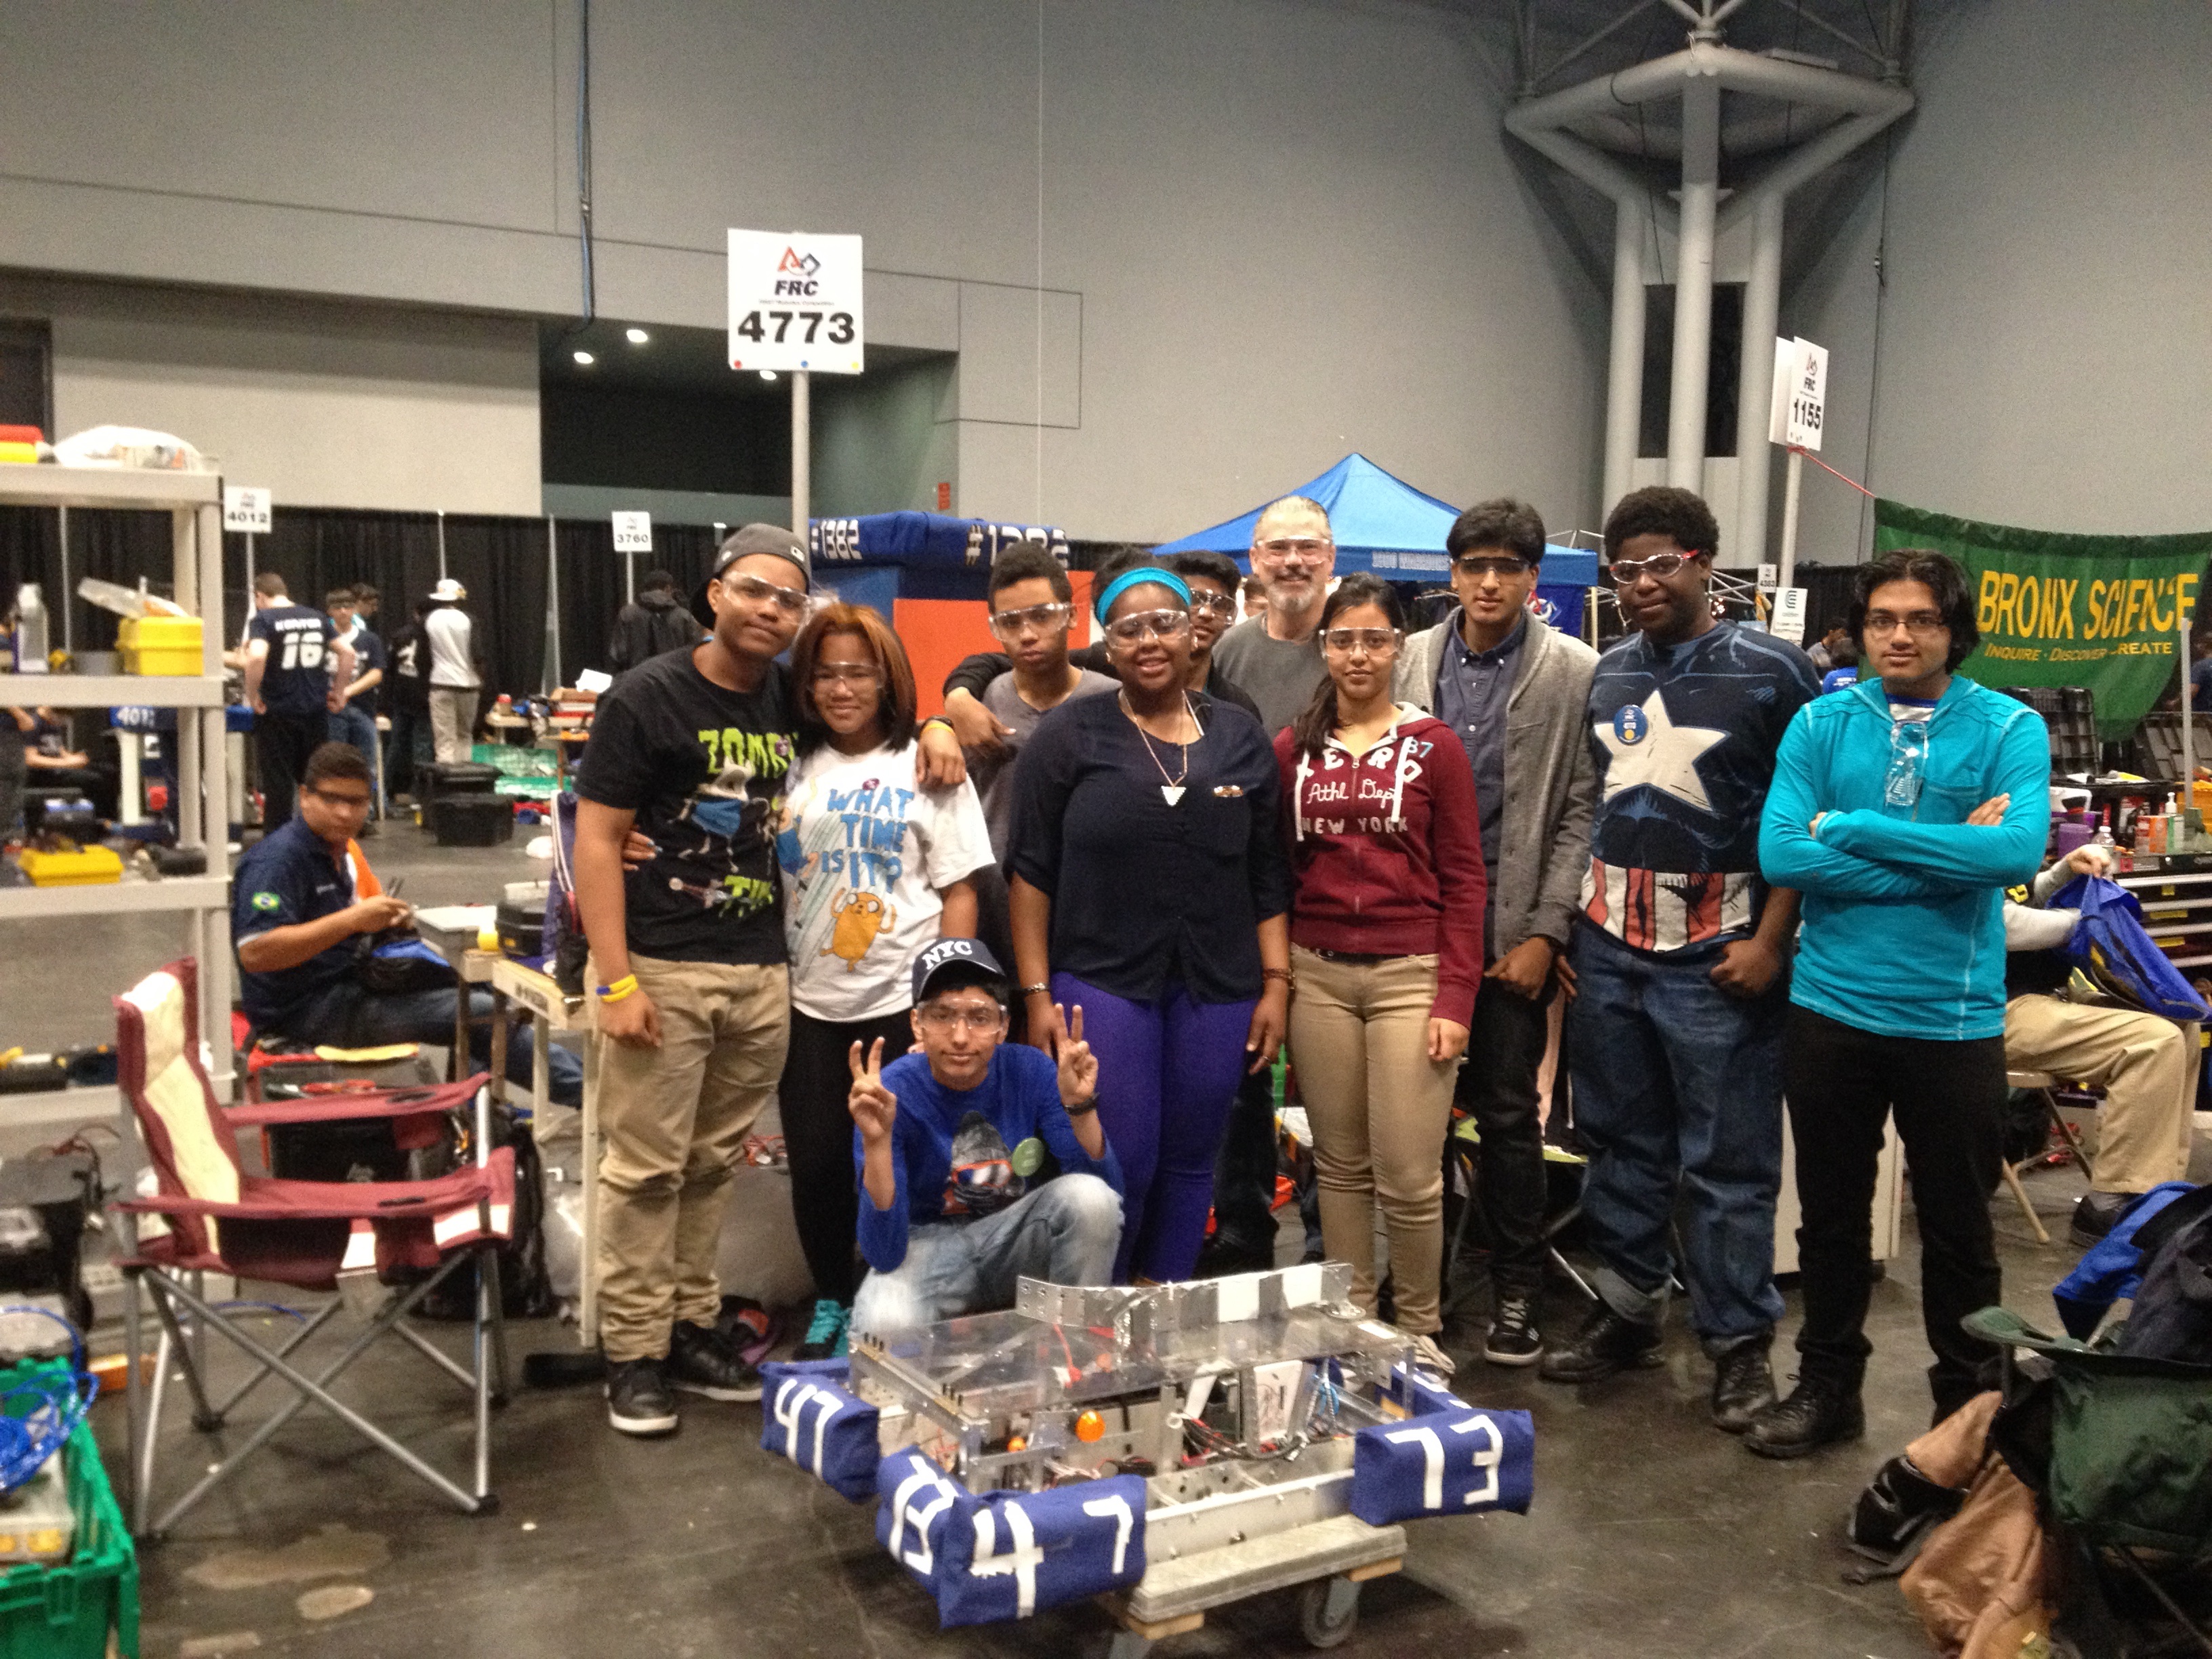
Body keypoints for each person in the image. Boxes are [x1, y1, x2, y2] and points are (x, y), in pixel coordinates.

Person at [571, 524, 964, 1436]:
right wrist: (618, 981)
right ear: (714, 594)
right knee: (644, 1170)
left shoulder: (784, 704)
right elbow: (593, 838)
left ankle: (685, 1325)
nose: (770, 610)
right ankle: (631, 1352)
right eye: (754, 591)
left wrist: (946, 712)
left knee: (709, 1166)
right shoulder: (646, 698)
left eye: (788, 599)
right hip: (663, 967)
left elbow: (871, 707)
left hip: (761, 972)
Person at [1756, 548, 2050, 1452]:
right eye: (1884, 618)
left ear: (1954, 632)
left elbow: (2011, 857)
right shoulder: (1821, 723)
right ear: (1860, 626)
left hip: (1951, 1023)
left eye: (1921, 620)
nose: (1900, 635)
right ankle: (1826, 1388)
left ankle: (1965, 1419)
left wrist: (1855, 830)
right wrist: (1939, 862)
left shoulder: (2008, 728)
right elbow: (1782, 857)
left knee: (1961, 1235)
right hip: (1831, 1011)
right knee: (1831, 1223)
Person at [1541, 486, 1818, 1439]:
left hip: (1722, 955)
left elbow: (1806, 815)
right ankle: (1627, 1314)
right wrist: (1577, 928)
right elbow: (1598, 805)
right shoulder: (1609, 671)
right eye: (1627, 568)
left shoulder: (1774, 671)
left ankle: (1739, 1347)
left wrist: (1773, 940)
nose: (1644, 583)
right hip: (1611, 950)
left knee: (1728, 1165)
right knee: (1620, 1143)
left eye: (1663, 562)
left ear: (1705, 562)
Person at [1006, 561, 1292, 1283]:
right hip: (1101, 978)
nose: (1149, 640)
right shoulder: (1068, 738)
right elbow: (1031, 874)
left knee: (1194, 1158)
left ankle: (1159, 1310)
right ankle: (1100, 1324)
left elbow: (1267, 875)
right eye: (1128, 628)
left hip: (1219, 983)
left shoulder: (1241, 736)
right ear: (1107, 642)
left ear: (1193, 627)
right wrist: (1036, 994)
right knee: (1122, 1155)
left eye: (1164, 621)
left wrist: (1277, 984)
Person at [1393, 498, 1598, 1366]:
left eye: (1507, 567)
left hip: (1508, 936)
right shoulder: (1405, 659)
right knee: (1415, 1124)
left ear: (1531, 579)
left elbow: (1580, 809)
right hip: (1411, 935)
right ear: (1451, 574)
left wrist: (1548, 932)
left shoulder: (1574, 670)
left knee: (1510, 1118)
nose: (1488, 581)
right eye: (1473, 565)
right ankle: (1418, 1291)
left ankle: (1517, 1287)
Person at [773, 603, 994, 1361]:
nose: (841, 688)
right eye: (825, 672)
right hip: (809, 1004)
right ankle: (834, 1296)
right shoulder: (792, 762)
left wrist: (944, 1000)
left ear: (887, 677)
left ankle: (904, 1295)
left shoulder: (927, 764)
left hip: (902, 1002)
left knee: (915, 1161)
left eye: (859, 672)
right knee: (821, 1164)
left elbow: (959, 886)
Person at [1277, 574, 1483, 1375]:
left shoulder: (1436, 747)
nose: (1357, 655)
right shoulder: (1293, 749)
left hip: (1413, 978)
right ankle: (1355, 1319)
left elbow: (1466, 879)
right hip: (1318, 976)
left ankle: (1419, 1328)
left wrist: (1456, 994)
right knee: (1339, 1167)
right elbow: (1279, 871)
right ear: (1322, 648)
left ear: (1400, 647)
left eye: (1374, 639)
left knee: (1408, 1173)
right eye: (1342, 640)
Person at [231, 742, 582, 1099]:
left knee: (486, 995)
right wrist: (353, 920)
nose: (343, 812)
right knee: (480, 1014)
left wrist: (383, 923)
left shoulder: (335, 852)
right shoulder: (277, 861)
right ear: (304, 796)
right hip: (306, 1011)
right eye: (331, 799)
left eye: (356, 802)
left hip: (348, 986)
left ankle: (478, 1111)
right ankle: (589, 1098)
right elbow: (256, 952)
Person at [847, 939, 1124, 1334]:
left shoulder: (1032, 1071)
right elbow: (884, 1253)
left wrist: (1080, 1107)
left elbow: (1108, 1202)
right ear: (917, 1024)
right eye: (942, 1015)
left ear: (1003, 1026)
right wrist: (876, 1145)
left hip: (1014, 1238)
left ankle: (1070, 1359)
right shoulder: (889, 1091)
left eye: (979, 1017)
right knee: (881, 1323)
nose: (960, 1037)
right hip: (927, 1248)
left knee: (1090, 1199)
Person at [2004, 842, 2202, 1246]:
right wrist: (2084, 922)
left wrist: (2063, 873)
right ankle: (2111, 1201)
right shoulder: (1952, 838)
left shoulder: (1996, 828)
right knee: (2152, 1041)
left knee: (2182, 1023)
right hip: (1988, 1010)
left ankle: (2156, 1190)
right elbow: (2000, 924)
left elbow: (2018, 894)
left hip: (2042, 994)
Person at [943, 546, 1119, 996]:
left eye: (1041, 616)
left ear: (1071, 617)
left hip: (1093, 914)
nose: (1027, 633)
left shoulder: (1115, 703)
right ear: (995, 629)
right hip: (994, 912)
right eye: (1010, 622)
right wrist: (941, 724)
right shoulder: (979, 703)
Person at [243, 572, 352, 830]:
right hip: (315, 713)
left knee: (278, 785)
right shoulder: (316, 616)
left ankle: (277, 847)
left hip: (278, 713)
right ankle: (318, 837)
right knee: (314, 782)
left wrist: (252, 695)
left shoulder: (264, 619)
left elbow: (257, 657)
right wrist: (339, 691)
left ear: (259, 596)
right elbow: (348, 653)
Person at [325, 587, 384, 813]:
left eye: (348, 607)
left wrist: (347, 691)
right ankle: (334, 809)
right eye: (338, 608)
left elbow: (377, 672)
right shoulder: (323, 638)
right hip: (330, 709)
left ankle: (363, 813)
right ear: (329, 611)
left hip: (362, 708)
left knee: (365, 763)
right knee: (334, 762)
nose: (343, 612)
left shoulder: (369, 640)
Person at [424, 577, 480, 764]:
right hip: (469, 684)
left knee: (444, 738)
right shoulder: (469, 620)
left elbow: (424, 654)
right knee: (465, 734)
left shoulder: (429, 620)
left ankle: (446, 783)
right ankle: (465, 776)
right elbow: (479, 654)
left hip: (440, 683)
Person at [609, 569, 703, 676]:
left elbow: (617, 655)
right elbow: (696, 654)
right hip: (674, 683)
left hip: (635, 683)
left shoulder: (627, 614)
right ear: (668, 589)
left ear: (645, 589)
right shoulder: (683, 616)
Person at [384, 602, 432, 805]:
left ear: (415, 613)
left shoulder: (400, 634)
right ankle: (420, 793)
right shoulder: (433, 636)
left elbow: (390, 669)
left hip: (402, 695)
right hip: (424, 697)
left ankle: (385, 790)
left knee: (396, 745)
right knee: (422, 746)